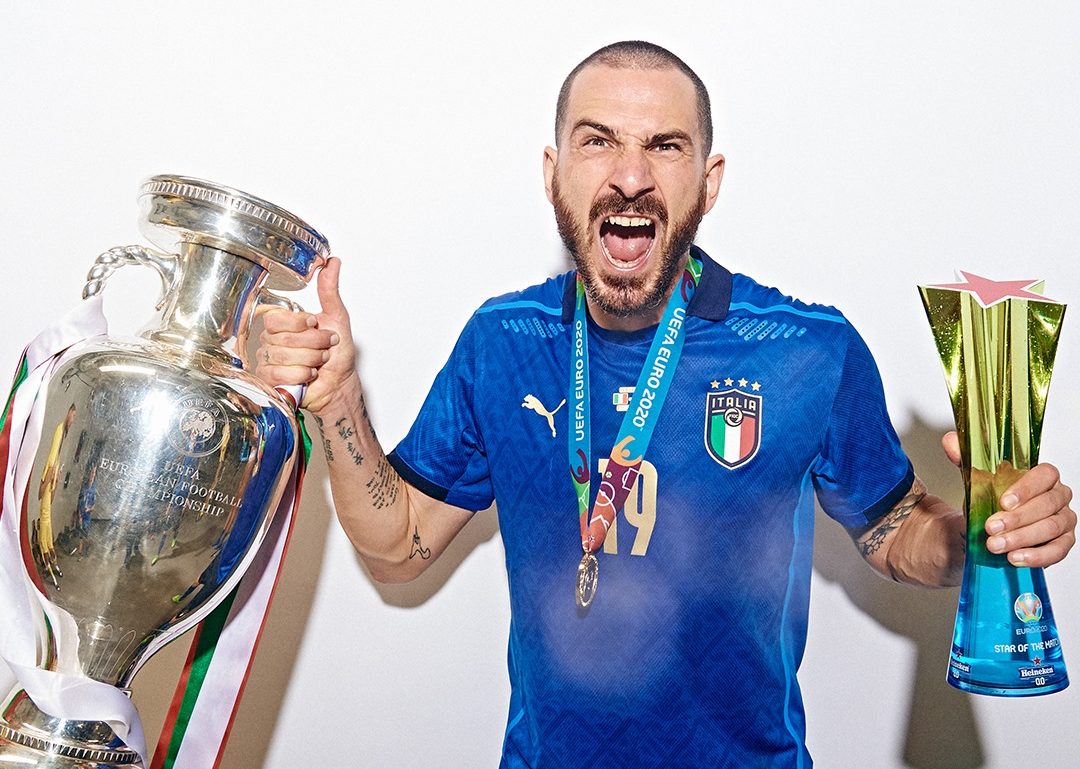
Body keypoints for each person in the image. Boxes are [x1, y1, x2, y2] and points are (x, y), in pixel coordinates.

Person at [256, 41, 1076, 769]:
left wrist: (982, 536)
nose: (630, 174)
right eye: (598, 141)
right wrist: (338, 401)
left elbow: (895, 531)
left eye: (665, 145)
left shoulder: (805, 348)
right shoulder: (503, 341)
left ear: (708, 183)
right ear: (553, 174)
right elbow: (397, 546)